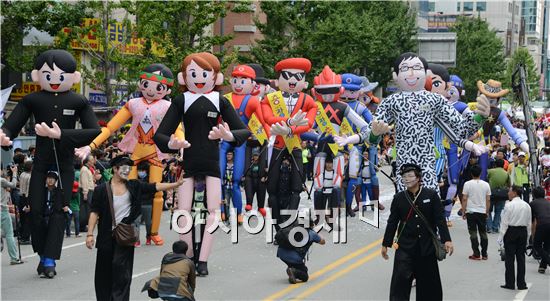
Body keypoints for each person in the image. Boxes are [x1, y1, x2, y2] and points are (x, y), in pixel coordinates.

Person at [0, 50, 101, 277]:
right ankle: (41, 251)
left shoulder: (78, 101)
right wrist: (4, 136)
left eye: (61, 75)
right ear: (37, 76)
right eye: (48, 75)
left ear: (73, 77)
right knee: (35, 210)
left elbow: (94, 130)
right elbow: (12, 125)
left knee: (59, 210)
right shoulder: (32, 99)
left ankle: (49, 260)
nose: (54, 80)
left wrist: (61, 135)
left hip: (65, 162)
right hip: (41, 161)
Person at [154, 52, 251, 276]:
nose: (199, 78)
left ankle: (204, 259)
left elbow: (243, 131)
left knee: (214, 210)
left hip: (211, 163)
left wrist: (228, 136)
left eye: (204, 73)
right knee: (182, 209)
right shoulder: (181, 100)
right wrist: (172, 143)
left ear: (215, 77)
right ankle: (186, 256)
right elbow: (160, 135)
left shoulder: (220, 100)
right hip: (188, 162)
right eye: (193, 74)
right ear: (183, 78)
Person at [86, 155, 185, 301]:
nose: (127, 171)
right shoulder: (101, 189)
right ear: (115, 169)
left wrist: (176, 184)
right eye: (124, 168)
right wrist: (89, 234)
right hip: (106, 238)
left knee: (122, 273)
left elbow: (155, 186)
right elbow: (94, 212)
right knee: (103, 273)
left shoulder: (134, 186)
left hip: (125, 236)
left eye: (129, 169)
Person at [382, 163, 453, 301]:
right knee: (400, 284)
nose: (407, 179)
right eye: (404, 176)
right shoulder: (399, 198)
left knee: (428, 286)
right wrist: (386, 244)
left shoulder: (431, 195)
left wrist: (447, 240)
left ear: (418, 177)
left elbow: (440, 220)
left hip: (426, 248)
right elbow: (392, 222)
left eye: (410, 175)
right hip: (404, 248)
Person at [498, 185, 532, 290]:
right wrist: (527, 238)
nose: (508, 193)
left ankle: (510, 283)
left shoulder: (509, 205)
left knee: (509, 258)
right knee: (521, 258)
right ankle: (521, 284)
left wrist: (500, 238)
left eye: (510, 191)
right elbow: (529, 224)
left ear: (515, 193)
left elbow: (504, 223)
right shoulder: (527, 206)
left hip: (511, 232)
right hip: (522, 232)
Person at [461, 165, 491, 260]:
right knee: (483, 233)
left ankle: (476, 253)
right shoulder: (486, 184)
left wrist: (463, 211)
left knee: (473, 233)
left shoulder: (467, 184)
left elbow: (464, 198)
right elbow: (488, 199)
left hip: (471, 211)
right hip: (482, 211)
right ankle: (485, 254)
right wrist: (487, 211)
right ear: (481, 173)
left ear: (471, 174)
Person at [1, 165, 24, 265]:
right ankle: (14, 258)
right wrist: (14, 172)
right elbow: (14, 185)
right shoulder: (1, 180)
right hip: (2, 210)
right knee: (9, 234)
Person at [134, 161, 155, 246]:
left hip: (147, 203)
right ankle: (137, 239)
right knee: (136, 222)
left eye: (142, 170)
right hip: (137, 203)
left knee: (148, 223)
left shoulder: (151, 179)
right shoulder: (134, 179)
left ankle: (148, 237)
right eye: (139, 170)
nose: (140, 172)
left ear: (146, 171)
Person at [530, 186, 550, 274]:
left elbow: (533, 221)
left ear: (534, 194)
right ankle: (542, 267)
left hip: (542, 225)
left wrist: (533, 235)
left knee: (537, 245)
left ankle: (548, 262)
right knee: (547, 246)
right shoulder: (548, 202)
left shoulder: (532, 204)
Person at [487, 159, 510, 233]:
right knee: (498, 211)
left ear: (495, 165)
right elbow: (509, 184)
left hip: (491, 193)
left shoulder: (490, 171)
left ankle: (489, 227)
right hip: (501, 195)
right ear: (503, 165)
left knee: (488, 211)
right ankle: (495, 227)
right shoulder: (506, 173)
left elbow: (486, 178)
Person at [18, 160, 32, 244]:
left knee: (22, 218)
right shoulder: (30, 177)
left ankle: (21, 235)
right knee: (28, 219)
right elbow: (28, 190)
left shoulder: (22, 174)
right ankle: (26, 237)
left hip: (21, 197)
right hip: (26, 198)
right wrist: (29, 203)